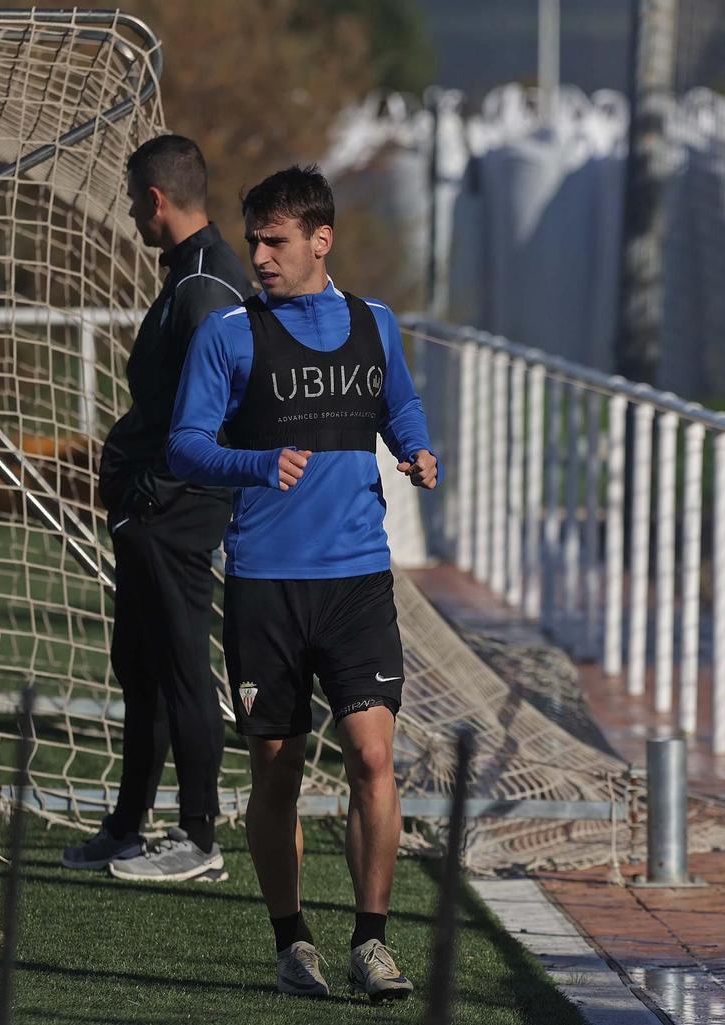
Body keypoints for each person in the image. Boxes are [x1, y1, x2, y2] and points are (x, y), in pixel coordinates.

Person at [166, 165, 439, 1002]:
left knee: (373, 755)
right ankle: (292, 943)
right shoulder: (229, 333)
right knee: (278, 771)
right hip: (266, 585)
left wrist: (417, 448)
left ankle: (371, 941)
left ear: (321, 240)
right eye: (253, 239)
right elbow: (185, 444)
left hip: (357, 579)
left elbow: (399, 403)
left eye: (274, 240)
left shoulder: (375, 322)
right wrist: (255, 463)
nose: (258, 256)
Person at [61, 135, 252, 882]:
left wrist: (153, 494)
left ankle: (199, 835)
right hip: (155, 509)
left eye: (133, 201)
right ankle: (126, 825)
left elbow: (219, 406)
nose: (132, 215)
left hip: (178, 509)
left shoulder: (207, 284)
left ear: (155, 199)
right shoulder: (191, 274)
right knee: (139, 665)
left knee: (181, 666)